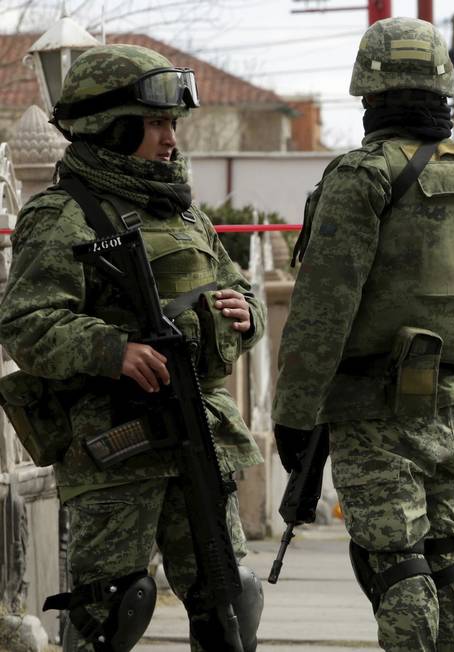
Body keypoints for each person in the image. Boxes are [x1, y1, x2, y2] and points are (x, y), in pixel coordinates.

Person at [0, 44, 266, 651]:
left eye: (173, 123)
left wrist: (240, 314)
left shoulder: (182, 212)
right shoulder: (62, 215)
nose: (171, 139)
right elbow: (27, 323)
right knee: (112, 609)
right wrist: (113, 350)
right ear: (109, 125)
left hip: (198, 433)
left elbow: (233, 285)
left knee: (229, 597)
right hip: (117, 445)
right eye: (156, 123)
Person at [271, 17, 454, 652]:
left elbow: (323, 310)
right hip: (452, 403)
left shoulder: (363, 175)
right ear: (445, 89)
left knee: (395, 562)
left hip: (370, 404)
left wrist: (294, 415)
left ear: (367, 92)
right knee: (444, 557)